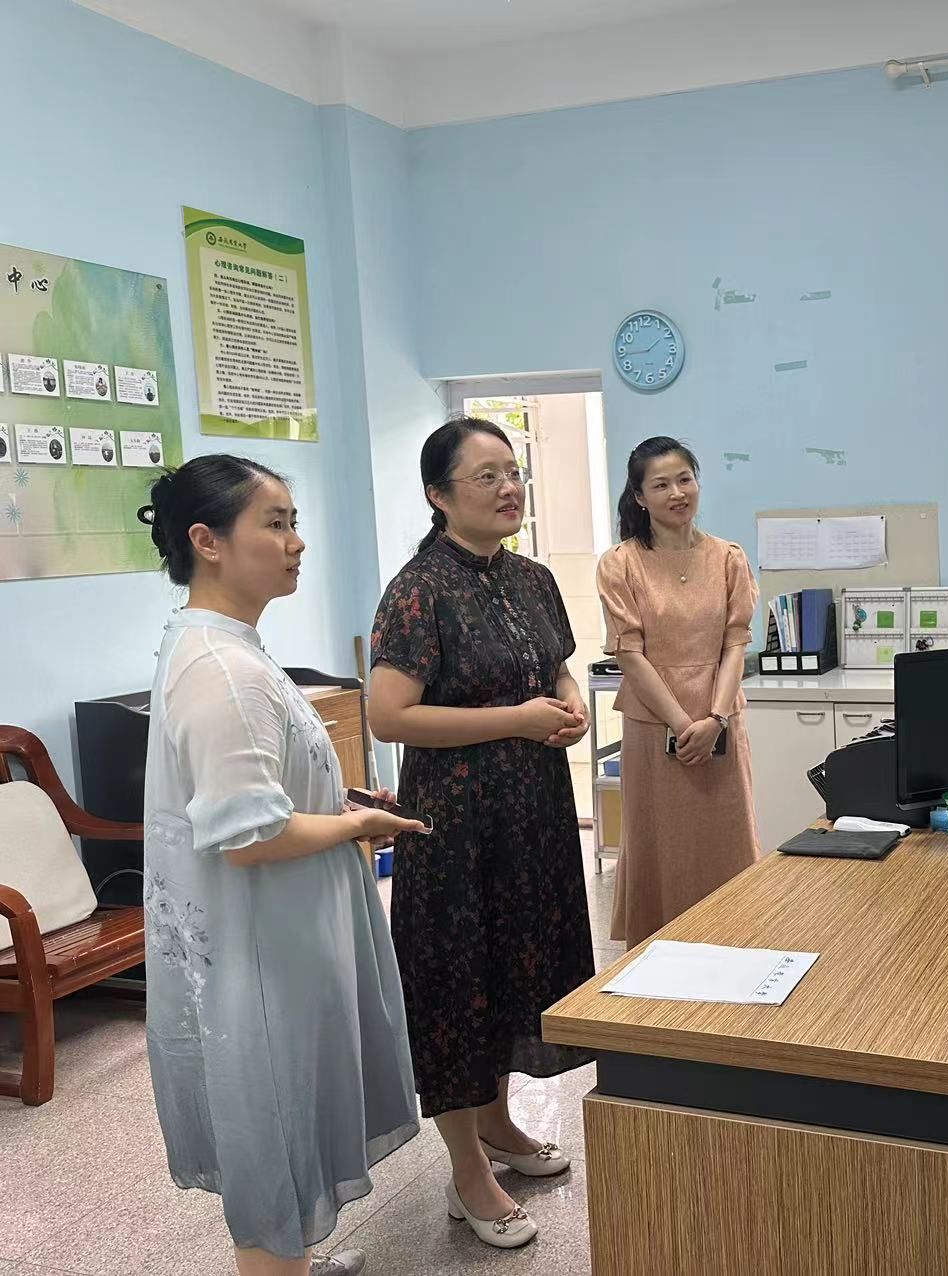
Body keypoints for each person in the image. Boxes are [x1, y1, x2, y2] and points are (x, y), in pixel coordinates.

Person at [138, 456, 422, 1276]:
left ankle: (295, 1259)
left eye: (295, 522)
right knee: (274, 1125)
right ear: (208, 541)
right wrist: (357, 824)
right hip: (265, 944)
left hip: (284, 929)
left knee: (293, 1119)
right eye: (275, 524)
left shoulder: (230, 647)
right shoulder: (221, 670)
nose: (297, 543)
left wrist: (336, 799)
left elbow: (260, 790)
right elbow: (250, 834)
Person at [367, 417, 596, 1251]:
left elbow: (554, 666)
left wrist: (567, 703)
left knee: (514, 969)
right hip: (456, 826)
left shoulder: (532, 578)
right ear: (439, 494)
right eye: (486, 476)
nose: (509, 488)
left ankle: (498, 1123)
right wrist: (516, 720)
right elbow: (389, 715)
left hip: (533, 814)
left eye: (513, 471)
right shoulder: (419, 589)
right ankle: (468, 1172)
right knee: (459, 989)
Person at [596, 437, 759, 945]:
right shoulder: (621, 564)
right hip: (653, 726)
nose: (676, 493)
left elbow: (735, 644)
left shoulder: (728, 558)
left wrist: (715, 719)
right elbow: (629, 654)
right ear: (639, 497)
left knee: (727, 843)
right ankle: (658, 954)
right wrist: (684, 724)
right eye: (661, 485)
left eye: (684, 479)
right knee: (660, 846)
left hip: (720, 723)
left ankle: (737, 945)